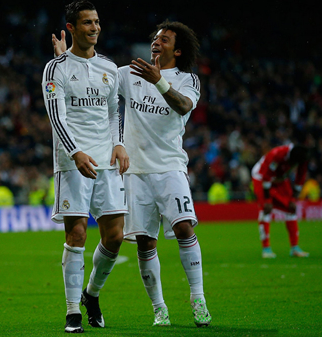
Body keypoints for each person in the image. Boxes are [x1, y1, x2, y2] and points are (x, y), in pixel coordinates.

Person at [55, 20, 212, 327]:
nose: (156, 42)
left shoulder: (187, 79)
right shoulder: (126, 74)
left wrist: (160, 82)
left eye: (164, 39)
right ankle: (159, 308)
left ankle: (198, 298)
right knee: (145, 242)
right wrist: (67, 60)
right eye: (155, 38)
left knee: (184, 229)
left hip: (170, 167)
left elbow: (183, 106)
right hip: (134, 172)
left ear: (177, 51)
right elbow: (95, 81)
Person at [43, 0, 129, 333]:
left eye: (96, 22)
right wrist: (76, 152)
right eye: (87, 23)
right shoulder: (56, 69)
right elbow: (57, 117)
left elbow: (112, 113)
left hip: (106, 160)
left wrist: (119, 142)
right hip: (72, 162)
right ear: (72, 28)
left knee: (116, 236)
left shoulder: (109, 67)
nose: (94, 27)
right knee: (77, 232)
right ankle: (71, 313)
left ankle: (91, 294)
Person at [251, 144, 310, 258]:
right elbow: (267, 176)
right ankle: (266, 249)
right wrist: (267, 200)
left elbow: (300, 177)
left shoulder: (302, 157)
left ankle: (294, 248)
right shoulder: (277, 154)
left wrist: (293, 199)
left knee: (291, 208)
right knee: (265, 209)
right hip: (261, 177)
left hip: (280, 179)